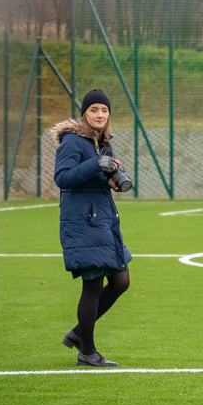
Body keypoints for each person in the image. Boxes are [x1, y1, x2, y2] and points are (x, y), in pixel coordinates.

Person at [52, 89, 131, 367]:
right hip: (83, 221)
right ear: (84, 113)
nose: (100, 115)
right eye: (94, 109)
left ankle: (78, 333)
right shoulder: (73, 142)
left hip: (105, 220)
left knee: (121, 281)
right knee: (93, 285)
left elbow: (95, 175)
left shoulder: (102, 142)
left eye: (105, 110)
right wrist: (95, 164)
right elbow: (63, 178)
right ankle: (87, 350)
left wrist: (111, 179)